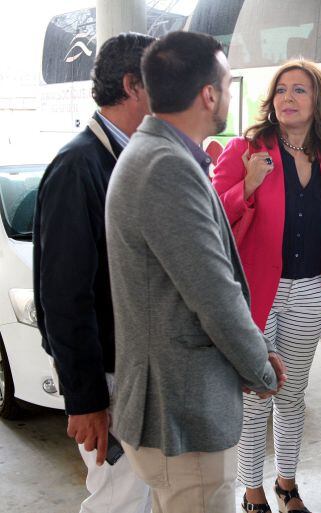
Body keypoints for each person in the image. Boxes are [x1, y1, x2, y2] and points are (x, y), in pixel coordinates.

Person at [104, 31, 279, 513]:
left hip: (177, 408)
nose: (226, 94)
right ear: (208, 94)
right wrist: (260, 366)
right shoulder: (165, 165)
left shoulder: (162, 155)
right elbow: (214, 294)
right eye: (225, 83)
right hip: (183, 414)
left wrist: (256, 351)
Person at [212, 59, 321, 513]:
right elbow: (213, 218)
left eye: (299, 90)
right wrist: (248, 186)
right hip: (257, 293)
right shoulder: (245, 149)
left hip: (309, 290)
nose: (287, 98)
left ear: (318, 102)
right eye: (281, 90)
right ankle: (252, 491)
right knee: (257, 392)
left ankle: (287, 485)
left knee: (293, 393)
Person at [33, 32, 155, 513]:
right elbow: (62, 298)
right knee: (119, 499)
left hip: (135, 371)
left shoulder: (130, 156)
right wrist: (84, 399)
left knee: (139, 496)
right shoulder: (77, 166)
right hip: (107, 378)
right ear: (132, 85)